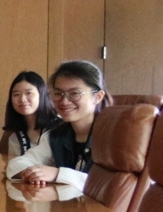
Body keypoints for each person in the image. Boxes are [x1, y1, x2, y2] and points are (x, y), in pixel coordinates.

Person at [7, 60, 108, 192]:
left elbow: (108, 186)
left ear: (98, 97)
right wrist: (35, 173)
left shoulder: (112, 137)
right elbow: (14, 165)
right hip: (66, 208)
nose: (64, 101)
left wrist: (58, 174)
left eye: (75, 93)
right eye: (58, 93)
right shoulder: (55, 135)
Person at [0, 70, 61, 158]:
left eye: (29, 93)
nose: (22, 99)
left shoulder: (60, 127)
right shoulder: (13, 132)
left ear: (42, 95)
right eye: (16, 94)